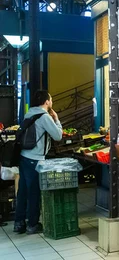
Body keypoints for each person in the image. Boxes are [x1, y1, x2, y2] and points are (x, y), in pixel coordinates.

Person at [14, 90, 63, 234]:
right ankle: (32, 224)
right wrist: (57, 120)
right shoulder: (44, 117)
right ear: (47, 102)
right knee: (34, 191)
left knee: (23, 191)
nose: (51, 102)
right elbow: (58, 136)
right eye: (51, 99)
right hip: (34, 159)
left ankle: (19, 223)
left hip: (23, 156)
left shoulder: (29, 113)